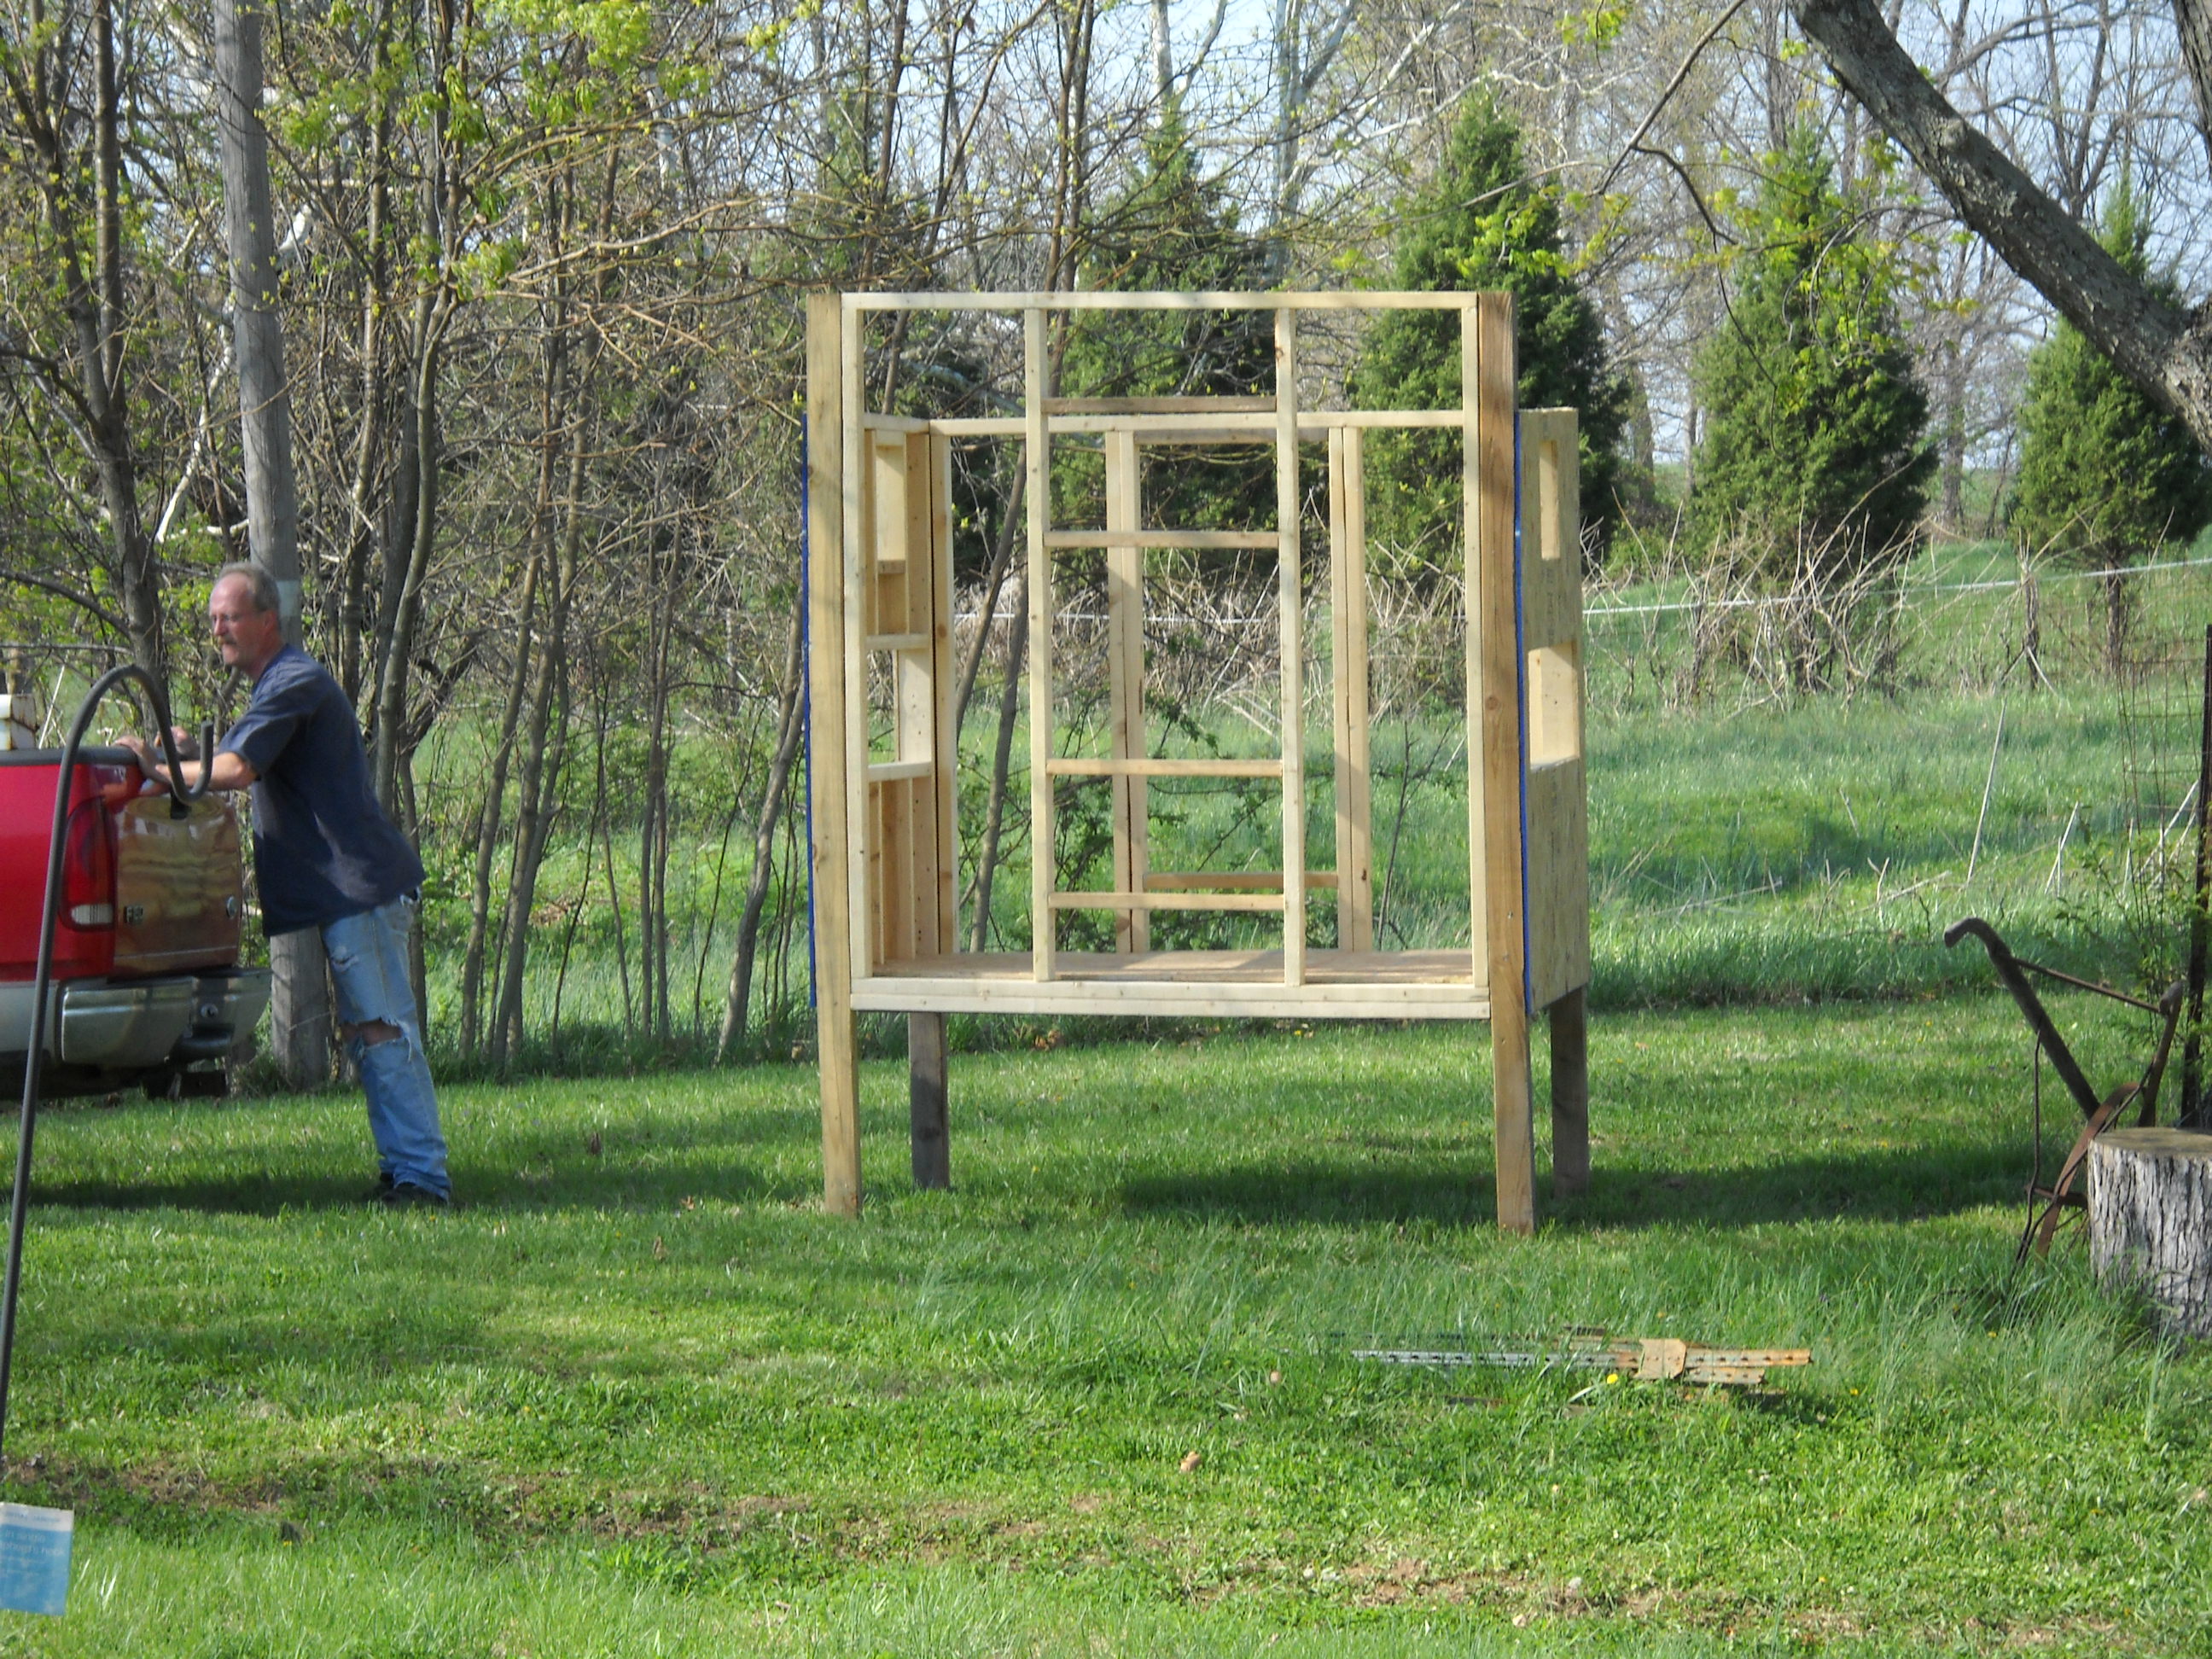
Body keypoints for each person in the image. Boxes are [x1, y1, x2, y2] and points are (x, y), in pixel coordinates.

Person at [124, 563, 451, 1207]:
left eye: (231, 616)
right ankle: (403, 1172)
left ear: (267, 620)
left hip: (362, 890)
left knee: (386, 1034)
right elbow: (236, 754)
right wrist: (174, 755)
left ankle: (424, 1181)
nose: (218, 627)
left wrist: (158, 770)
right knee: (369, 1035)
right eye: (214, 617)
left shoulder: (292, 682)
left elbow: (240, 767)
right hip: (347, 896)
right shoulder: (277, 684)